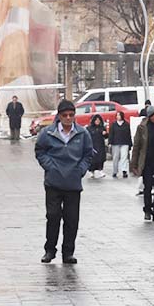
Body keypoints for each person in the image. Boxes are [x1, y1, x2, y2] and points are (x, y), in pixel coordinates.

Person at [34, 100, 94, 264]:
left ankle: (68, 252)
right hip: (53, 182)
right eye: (65, 115)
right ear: (59, 116)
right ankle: (49, 250)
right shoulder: (48, 133)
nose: (68, 118)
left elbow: (88, 154)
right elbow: (40, 151)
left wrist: (80, 170)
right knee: (53, 217)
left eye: (71, 115)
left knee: (71, 219)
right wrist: (50, 167)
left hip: (73, 183)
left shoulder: (82, 133)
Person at [109, 111, 132, 178]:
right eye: (117, 115)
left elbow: (128, 134)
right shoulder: (113, 124)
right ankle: (115, 171)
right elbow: (111, 134)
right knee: (115, 157)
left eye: (119, 115)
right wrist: (110, 142)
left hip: (124, 142)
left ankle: (124, 170)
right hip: (115, 143)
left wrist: (130, 143)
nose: (118, 117)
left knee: (124, 157)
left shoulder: (126, 124)